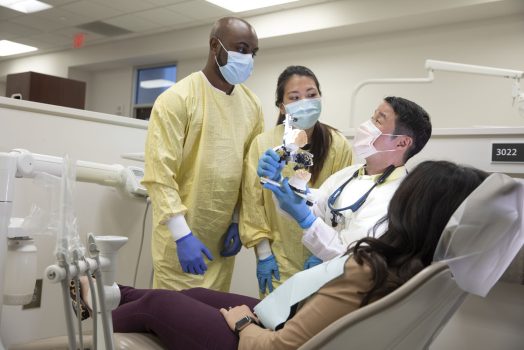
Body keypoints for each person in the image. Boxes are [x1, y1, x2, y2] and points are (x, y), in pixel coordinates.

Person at [76, 161, 488, 350]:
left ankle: (84, 324)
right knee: (193, 295)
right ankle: (107, 295)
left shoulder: (371, 268)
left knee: (162, 301)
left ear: (412, 207)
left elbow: (280, 348)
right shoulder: (429, 267)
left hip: (266, 341)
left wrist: (242, 325)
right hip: (296, 316)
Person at [142, 17, 264, 292]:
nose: (247, 59)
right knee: (172, 322)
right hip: (180, 241)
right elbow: (160, 174)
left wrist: (237, 221)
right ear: (214, 45)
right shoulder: (178, 99)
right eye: (242, 49)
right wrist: (181, 234)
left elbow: (249, 170)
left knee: (210, 322)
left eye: (252, 53)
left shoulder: (252, 105)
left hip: (221, 242)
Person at [260, 96, 432, 262]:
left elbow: (350, 255)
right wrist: (282, 183)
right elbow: (318, 205)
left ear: (402, 143)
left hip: (354, 286)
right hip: (326, 275)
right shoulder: (350, 173)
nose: (366, 126)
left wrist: (306, 219)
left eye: (378, 121)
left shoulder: (396, 198)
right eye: (372, 118)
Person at [240, 65, 352, 296]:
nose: (305, 102)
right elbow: (253, 204)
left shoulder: (338, 144)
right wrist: (263, 254)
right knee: (274, 325)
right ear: (282, 107)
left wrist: (320, 253)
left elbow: (341, 203)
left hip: (323, 257)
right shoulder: (263, 144)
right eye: (295, 97)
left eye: (312, 95)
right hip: (278, 257)